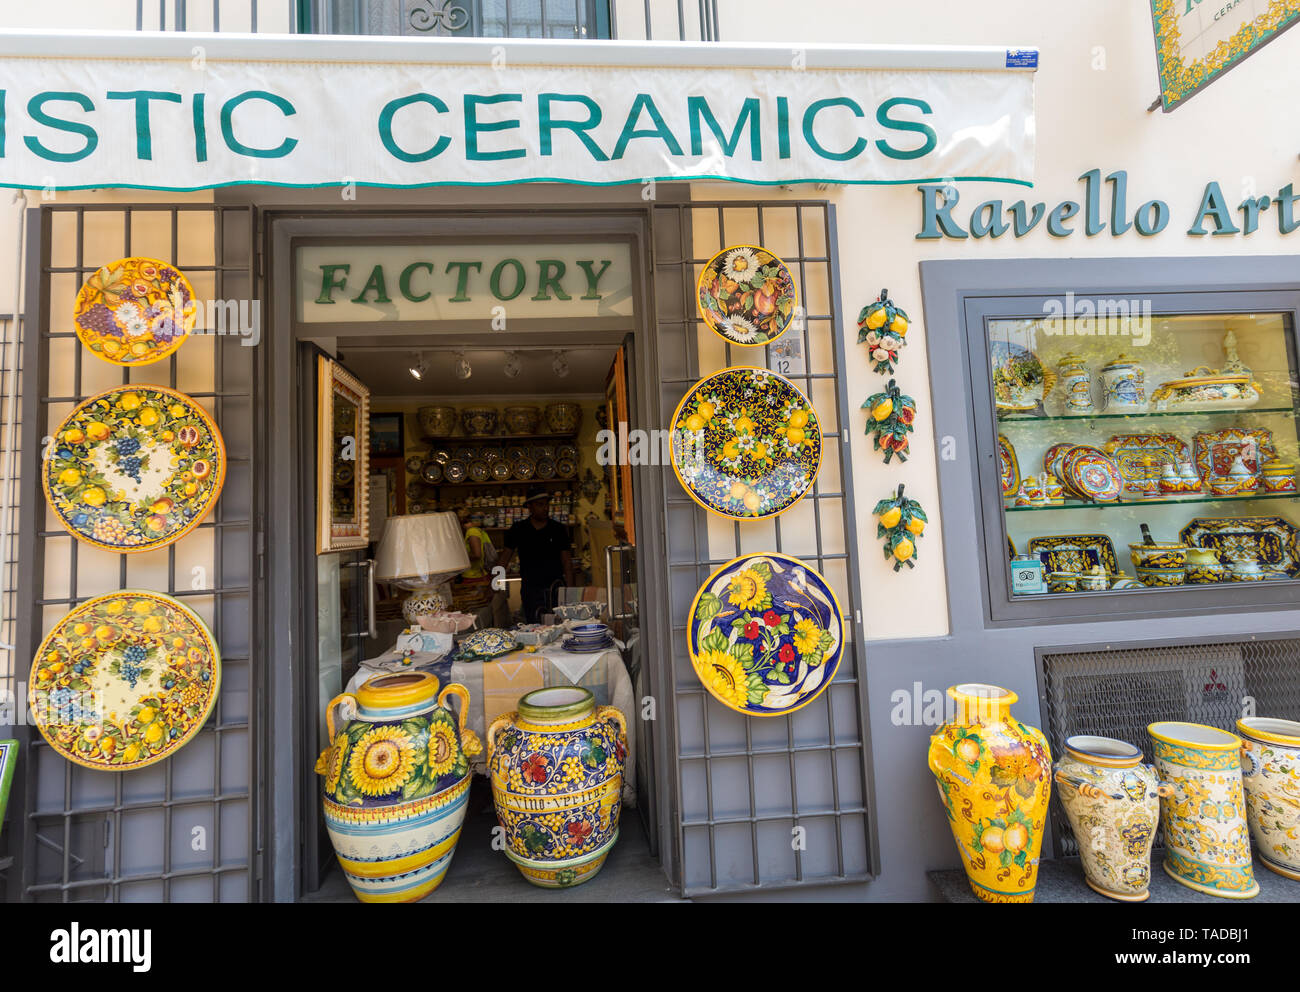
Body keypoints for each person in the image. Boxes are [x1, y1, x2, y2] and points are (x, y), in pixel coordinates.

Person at [498, 490, 575, 623]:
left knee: (560, 626)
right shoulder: (518, 529)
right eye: (540, 504)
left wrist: (571, 592)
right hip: (530, 589)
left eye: (547, 504)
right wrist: (493, 584)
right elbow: (504, 559)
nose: (545, 508)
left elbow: (567, 562)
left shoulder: (558, 529)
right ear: (529, 506)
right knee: (534, 627)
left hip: (555, 588)